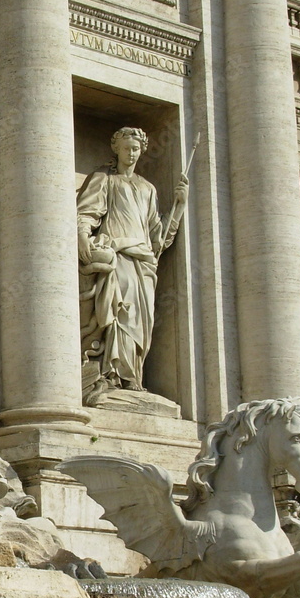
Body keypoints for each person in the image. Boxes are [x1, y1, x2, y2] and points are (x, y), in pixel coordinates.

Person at [76, 127, 188, 400]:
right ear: (116, 148)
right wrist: (82, 235)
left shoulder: (147, 188)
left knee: (140, 321)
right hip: (119, 256)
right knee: (118, 315)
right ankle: (110, 374)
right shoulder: (103, 178)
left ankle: (132, 376)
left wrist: (180, 205)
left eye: (136, 148)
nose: (131, 153)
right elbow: (86, 212)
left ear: (142, 150)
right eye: (126, 147)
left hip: (144, 262)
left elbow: (158, 238)